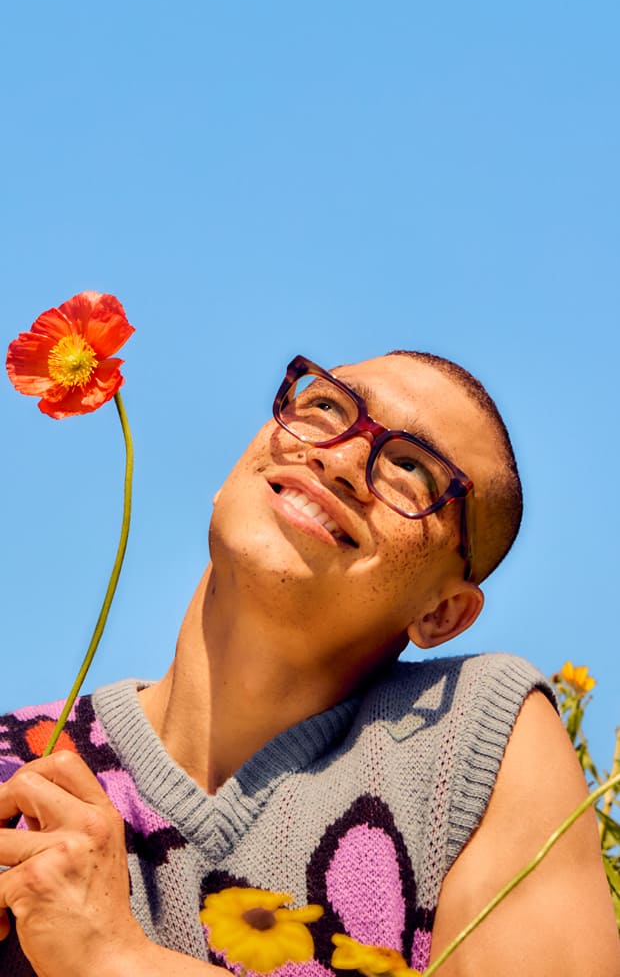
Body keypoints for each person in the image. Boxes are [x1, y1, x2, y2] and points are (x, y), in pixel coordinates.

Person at [0, 350, 617, 977]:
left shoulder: (472, 734)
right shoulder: (17, 767)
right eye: (325, 407)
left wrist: (113, 958)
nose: (340, 458)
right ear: (235, 468)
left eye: (411, 469)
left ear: (443, 614)